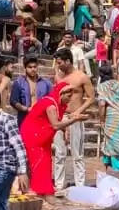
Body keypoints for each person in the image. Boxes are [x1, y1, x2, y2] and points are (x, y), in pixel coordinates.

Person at [18, 70, 78, 199]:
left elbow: (58, 122)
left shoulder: (59, 104)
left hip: (43, 135)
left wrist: (65, 130)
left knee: (46, 161)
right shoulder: (50, 104)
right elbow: (55, 124)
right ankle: (37, 192)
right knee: (39, 161)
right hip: (33, 134)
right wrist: (74, 120)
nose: (69, 100)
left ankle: (42, 191)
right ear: (61, 94)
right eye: (68, 96)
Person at [50, 50, 89, 192]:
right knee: (59, 152)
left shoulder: (81, 77)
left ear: (67, 61)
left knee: (77, 153)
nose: (58, 66)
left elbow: (91, 97)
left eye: (60, 63)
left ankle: (80, 185)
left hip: (75, 116)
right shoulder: (58, 76)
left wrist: (79, 111)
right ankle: (59, 184)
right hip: (61, 116)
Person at [10, 55, 51, 124]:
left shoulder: (46, 83)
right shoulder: (19, 82)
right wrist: (26, 109)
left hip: (41, 119)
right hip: (25, 119)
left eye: (35, 67)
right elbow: (13, 101)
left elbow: (50, 100)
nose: (33, 69)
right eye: (30, 67)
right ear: (25, 68)